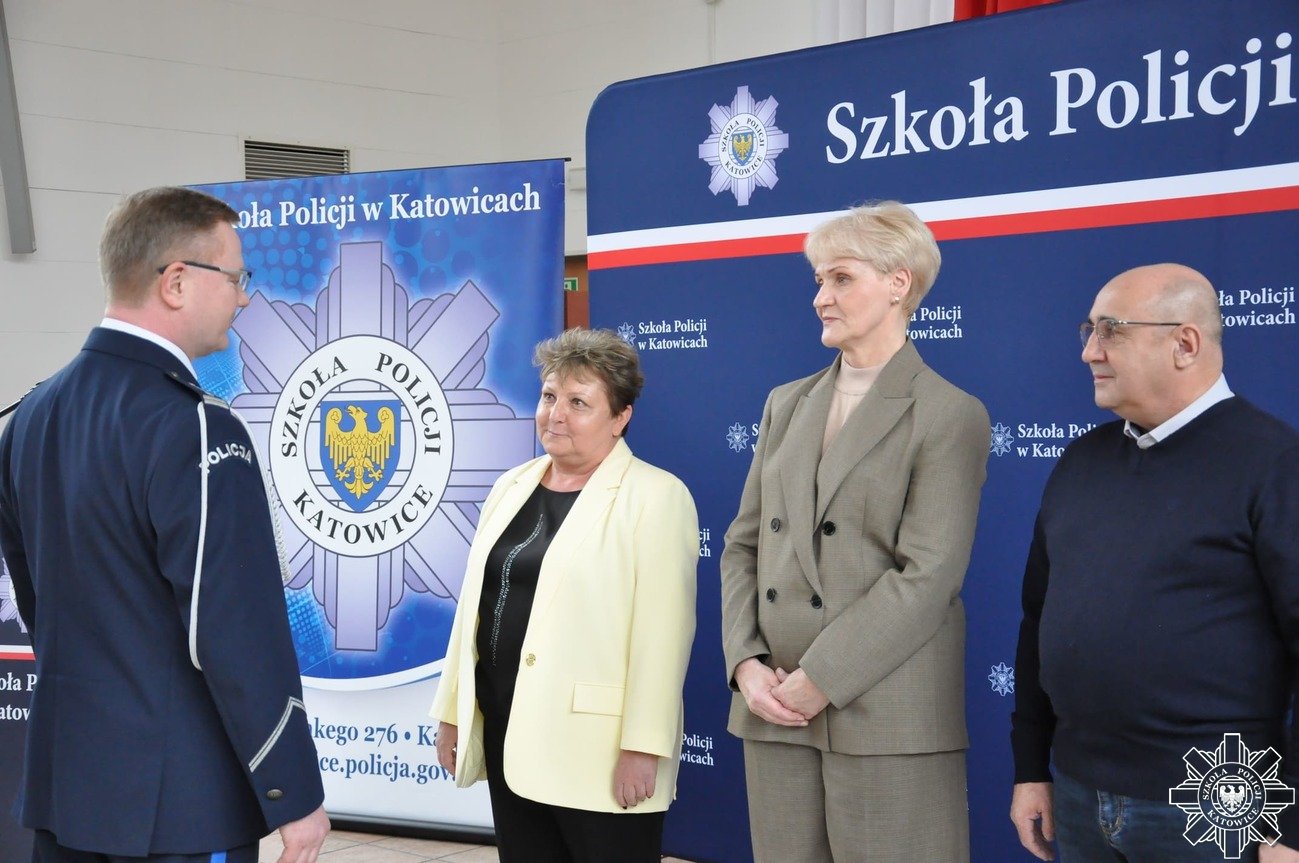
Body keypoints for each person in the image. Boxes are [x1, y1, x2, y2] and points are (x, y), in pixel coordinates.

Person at [0, 187, 329, 863]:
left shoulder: (31, 417)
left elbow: (39, 600)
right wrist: (291, 790)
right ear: (176, 282)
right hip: (182, 803)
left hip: (69, 787)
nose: (244, 298)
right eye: (235, 277)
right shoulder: (198, 427)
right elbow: (235, 631)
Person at [721, 201, 991, 863]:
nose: (821, 297)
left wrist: (820, 677)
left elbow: (927, 575)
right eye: (819, 280)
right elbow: (742, 544)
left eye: (841, 278)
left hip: (884, 711)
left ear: (898, 283)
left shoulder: (949, 412)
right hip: (773, 706)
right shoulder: (785, 403)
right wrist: (745, 664)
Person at [1009, 263, 1299, 863]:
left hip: (1221, 808)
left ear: (1184, 344)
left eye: (1111, 330)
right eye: (1089, 330)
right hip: (1078, 795)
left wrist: (1292, 827)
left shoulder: (1277, 465)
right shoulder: (1081, 461)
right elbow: (1038, 620)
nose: (1090, 351)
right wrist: (1032, 766)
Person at [429, 327, 699, 863]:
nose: (555, 414)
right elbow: (473, 611)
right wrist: (453, 709)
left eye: (579, 402)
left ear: (620, 417)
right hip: (508, 732)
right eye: (549, 396)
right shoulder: (511, 486)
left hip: (597, 750)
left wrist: (643, 747)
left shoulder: (657, 497)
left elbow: (663, 639)